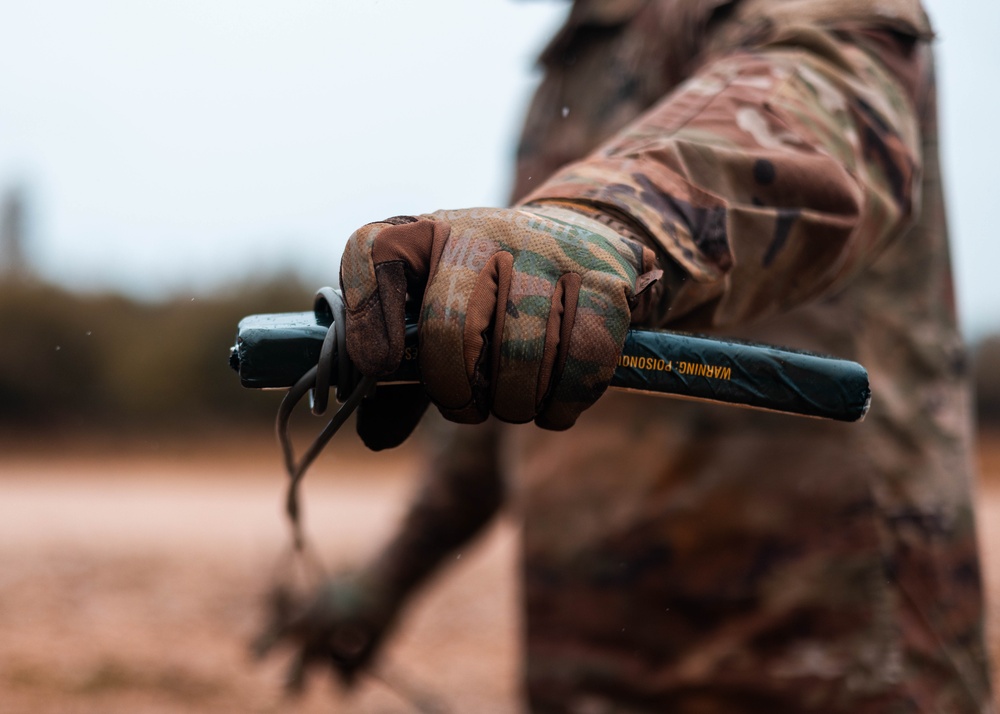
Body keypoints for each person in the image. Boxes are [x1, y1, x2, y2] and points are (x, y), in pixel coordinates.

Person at [258, 0, 995, 710]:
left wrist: (607, 223)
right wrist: (388, 580)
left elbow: (818, 104)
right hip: (592, 668)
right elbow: (509, 358)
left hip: (823, 658)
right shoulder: (567, 71)